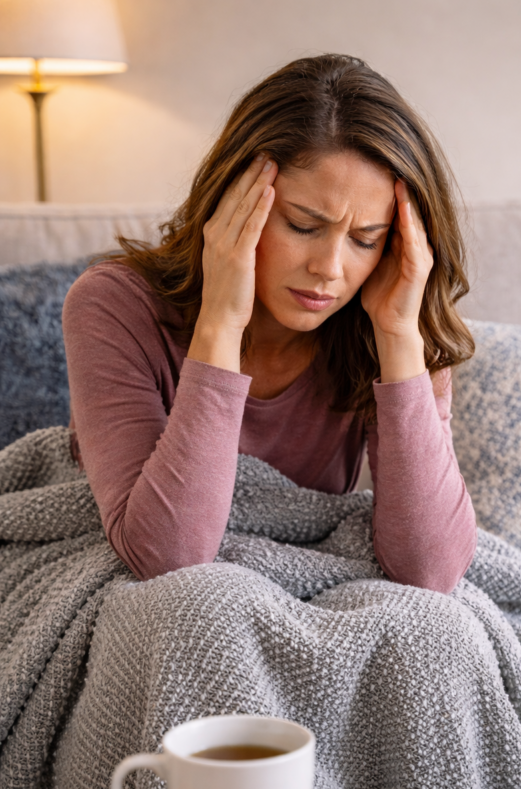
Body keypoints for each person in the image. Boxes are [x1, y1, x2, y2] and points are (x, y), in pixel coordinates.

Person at [63, 54, 477, 593]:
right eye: (305, 225)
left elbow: (430, 571)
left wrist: (399, 339)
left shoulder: (392, 327)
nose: (329, 269)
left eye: (365, 240)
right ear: (234, 199)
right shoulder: (112, 305)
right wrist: (220, 324)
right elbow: (167, 558)